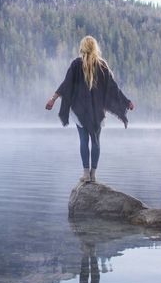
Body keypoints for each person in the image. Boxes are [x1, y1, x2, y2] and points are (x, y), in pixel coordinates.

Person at [45, 36, 134, 182]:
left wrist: (53, 99)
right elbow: (114, 88)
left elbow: (66, 84)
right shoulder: (102, 65)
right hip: (97, 112)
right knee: (96, 142)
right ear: (95, 48)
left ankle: (85, 174)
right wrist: (127, 102)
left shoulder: (76, 64)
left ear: (82, 47)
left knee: (83, 140)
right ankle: (93, 175)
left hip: (79, 111)